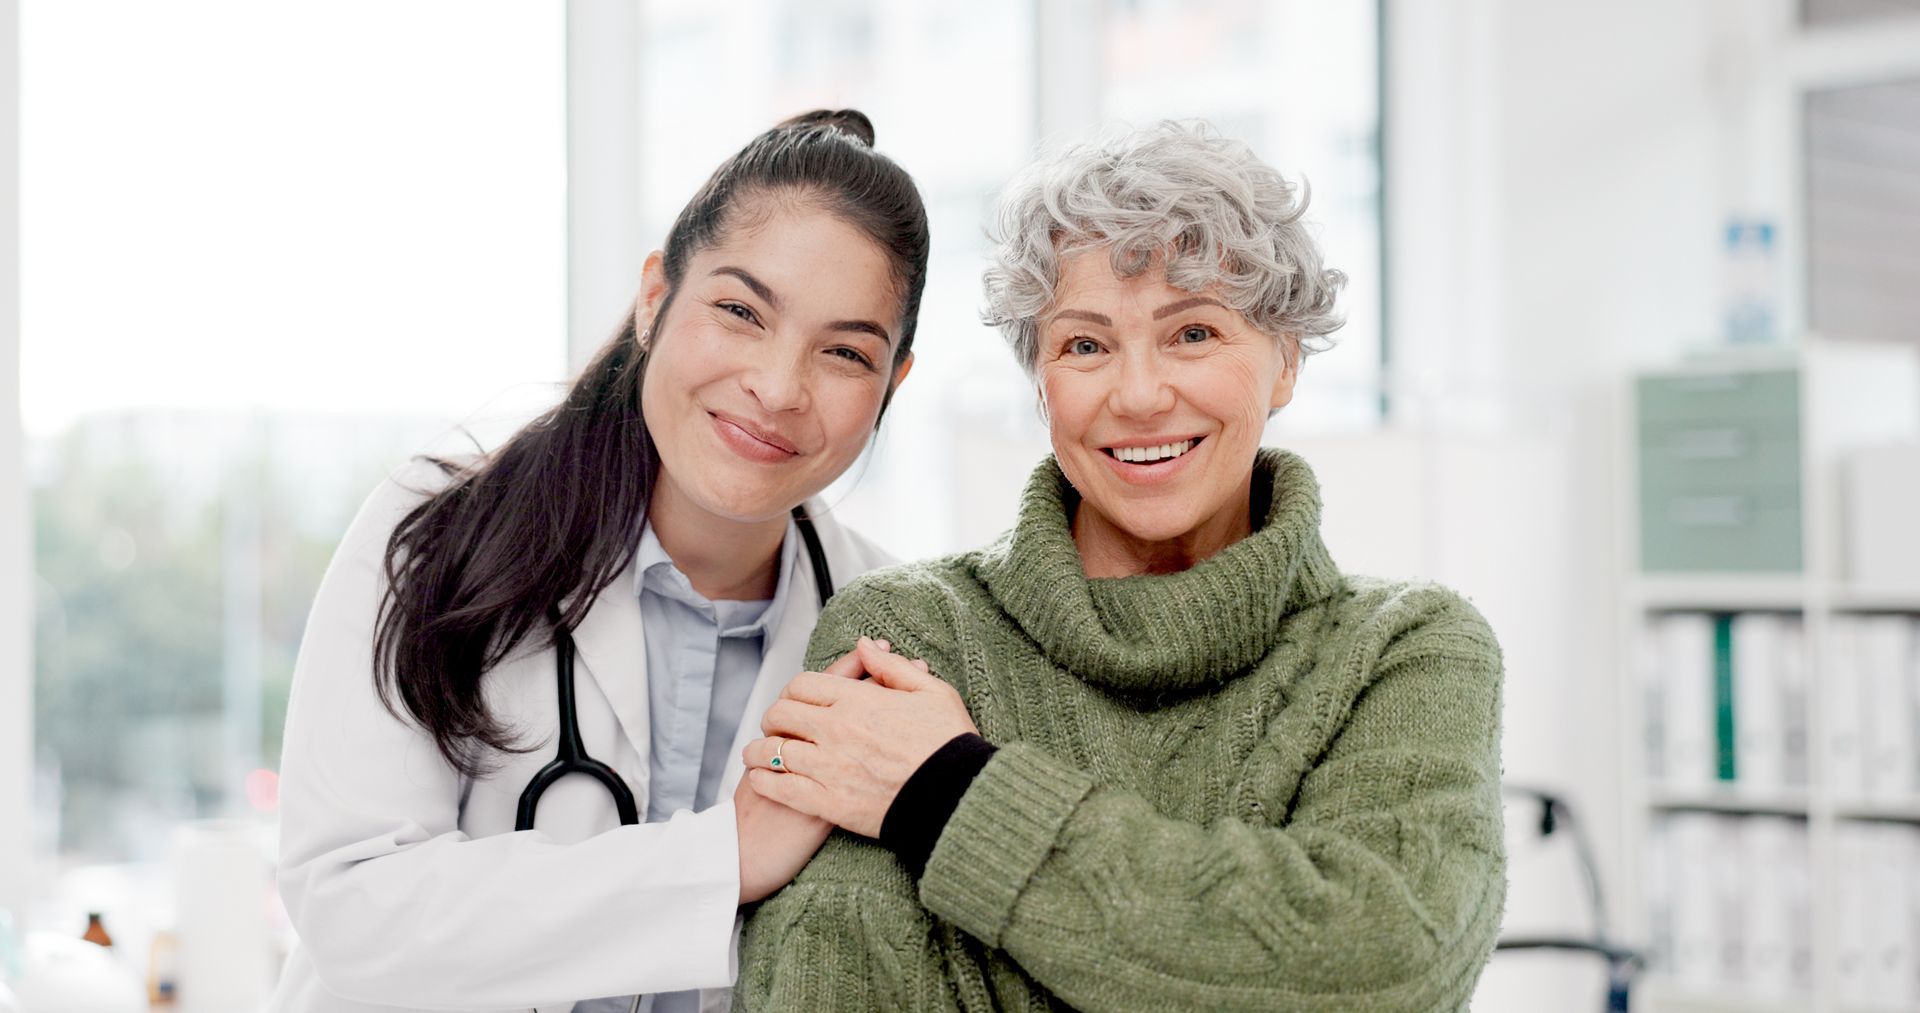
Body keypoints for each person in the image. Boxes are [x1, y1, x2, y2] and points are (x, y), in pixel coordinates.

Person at [733, 121, 1507, 1012]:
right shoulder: (909, 635)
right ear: (1040, 381)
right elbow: (830, 986)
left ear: (1286, 359)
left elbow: (1384, 963)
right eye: (1086, 345)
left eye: (1193, 333)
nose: (1138, 396)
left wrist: (951, 793)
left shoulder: (1405, 650)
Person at [268, 109, 928, 1013]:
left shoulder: (894, 642)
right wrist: (721, 859)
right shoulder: (435, 534)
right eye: (740, 311)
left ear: (892, 385)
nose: (778, 388)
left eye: (845, 352)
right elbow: (353, 913)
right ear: (656, 299)